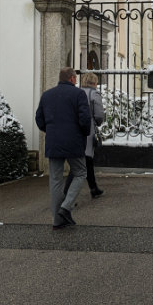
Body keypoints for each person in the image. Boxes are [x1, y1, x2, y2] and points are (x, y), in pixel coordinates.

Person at [35, 67, 91, 229]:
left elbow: (39, 119)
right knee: (80, 172)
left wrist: (51, 131)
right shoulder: (78, 94)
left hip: (53, 141)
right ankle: (66, 207)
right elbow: (85, 119)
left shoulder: (47, 95)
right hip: (73, 141)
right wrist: (83, 134)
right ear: (73, 79)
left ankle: (57, 219)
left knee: (55, 179)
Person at [64, 71, 105, 198]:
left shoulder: (75, 93)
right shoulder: (94, 94)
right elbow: (98, 115)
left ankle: (94, 188)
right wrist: (97, 123)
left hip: (73, 129)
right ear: (94, 83)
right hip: (88, 130)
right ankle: (66, 194)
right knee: (82, 162)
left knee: (87, 161)